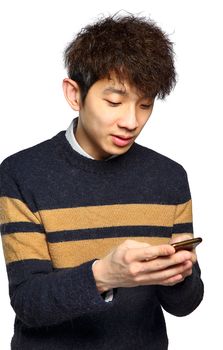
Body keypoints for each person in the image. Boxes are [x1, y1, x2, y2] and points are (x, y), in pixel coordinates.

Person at [0, 12, 204, 350]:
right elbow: (29, 302)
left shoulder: (169, 178)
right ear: (74, 94)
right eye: (114, 101)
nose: (131, 121)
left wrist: (180, 275)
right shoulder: (22, 173)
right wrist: (103, 275)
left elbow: (184, 305)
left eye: (145, 104)